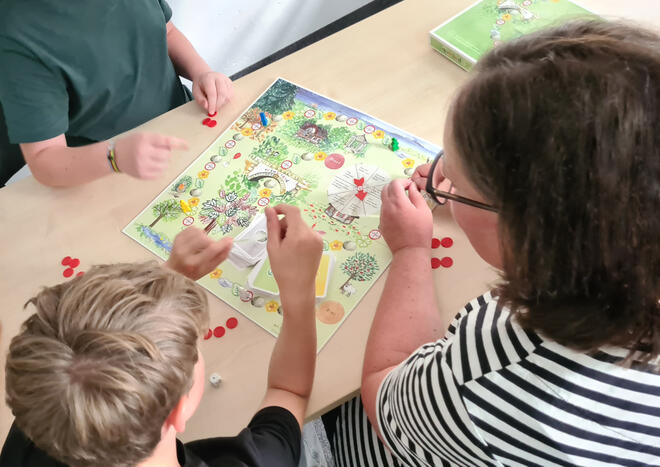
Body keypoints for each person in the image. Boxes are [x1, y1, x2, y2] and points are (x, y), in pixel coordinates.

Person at [330, 20, 660, 466]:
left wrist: (410, 250)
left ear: (529, 237)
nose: (442, 179)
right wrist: (474, 191)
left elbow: (381, 396)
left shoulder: (494, 370)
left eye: (457, 180)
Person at [0, 204, 323, 467]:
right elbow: (288, 391)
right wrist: (299, 293)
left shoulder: (41, 416)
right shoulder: (257, 461)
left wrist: (167, 284)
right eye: (192, 347)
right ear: (179, 410)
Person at [0, 0, 233, 187]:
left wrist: (201, 72)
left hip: (189, 127)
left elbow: (167, 32)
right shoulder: (17, 32)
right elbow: (44, 159)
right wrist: (115, 157)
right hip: (111, 176)